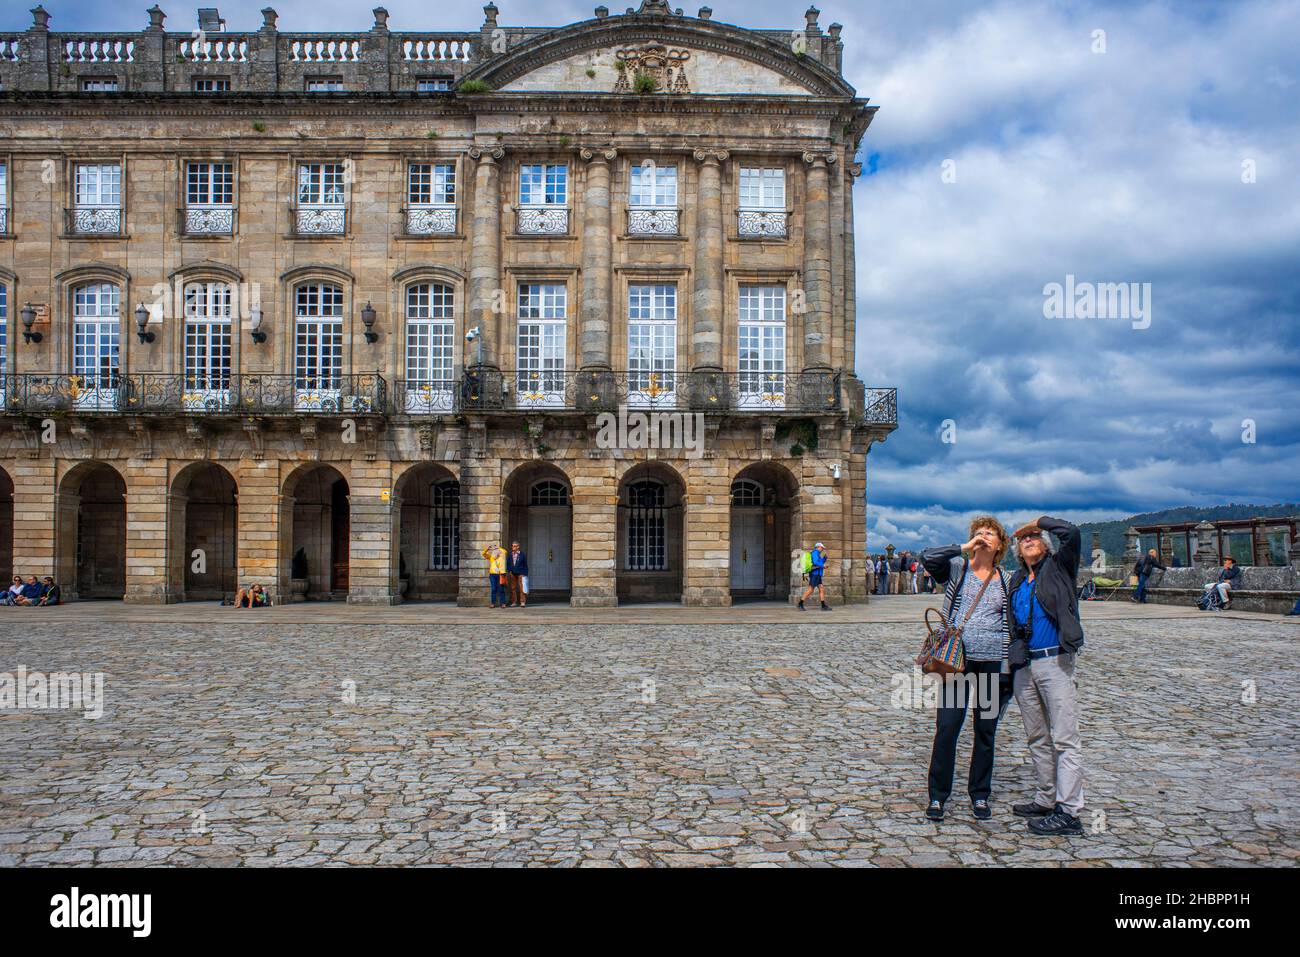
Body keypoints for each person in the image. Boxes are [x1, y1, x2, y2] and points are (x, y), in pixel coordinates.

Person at [919, 517, 1014, 822]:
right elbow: (928, 557)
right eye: (978, 533)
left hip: (990, 663)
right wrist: (963, 547)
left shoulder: (1007, 579)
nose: (983, 536)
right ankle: (938, 796)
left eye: (990, 534)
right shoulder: (958, 570)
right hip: (956, 662)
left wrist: (1009, 666)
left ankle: (980, 795)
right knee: (948, 728)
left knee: (985, 730)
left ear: (1000, 545)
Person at [1008, 516, 1086, 836]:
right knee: (1037, 736)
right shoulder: (1016, 579)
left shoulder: (1060, 567)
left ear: (1045, 544)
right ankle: (1046, 796)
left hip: (1055, 662)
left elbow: (1072, 534)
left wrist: (1039, 521)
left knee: (1065, 738)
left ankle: (1068, 811)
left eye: (1034, 536)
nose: (1028, 540)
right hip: (1025, 668)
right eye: (1023, 538)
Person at [798, 543, 830, 611]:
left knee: (821, 589)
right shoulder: (815, 553)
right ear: (818, 547)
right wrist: (823, 566)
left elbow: (820, 562)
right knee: (810, 590)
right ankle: (800, 603)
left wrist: (825, 558)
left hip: (817, 574)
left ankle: (823, 606)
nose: (822, 549)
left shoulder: (817, 554)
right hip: (814, 574)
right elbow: (815, 562)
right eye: (822, 548)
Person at [482, 544, 508, 608]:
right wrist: (487, 549)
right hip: (492, 575)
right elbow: (483, 554)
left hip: (501, 574)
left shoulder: (502, 556)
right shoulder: (491, 557)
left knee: (501, 589)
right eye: (494, 550)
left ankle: (503, 603)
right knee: (493, 589)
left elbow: (505, 551)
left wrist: (498, 547)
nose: (495, 551)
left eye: (496, 550)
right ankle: (493, 603)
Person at [506, 541, 529, 608]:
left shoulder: (522, 554)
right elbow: (508, 564)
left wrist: (525, 573)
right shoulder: (510, 554)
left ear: (518, 547)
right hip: (512, 573)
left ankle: (522, 602)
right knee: (513, 588)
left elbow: (525, 565)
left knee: (522, 588)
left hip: (521, 573)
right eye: (512, 546)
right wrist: (509, 570)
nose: (513, 547)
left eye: (514, 546)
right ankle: (514, 602)